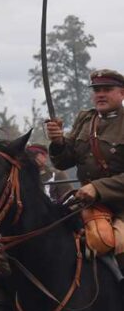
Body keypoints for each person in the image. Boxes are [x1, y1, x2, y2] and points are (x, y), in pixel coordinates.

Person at [46, 69, 124, 269]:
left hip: (120, 207)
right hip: (86, 202)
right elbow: (63, 162)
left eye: (107, 89)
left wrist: (97, 188)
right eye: (97, 90)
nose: (100, 94)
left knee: (116, 246)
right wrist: (58, 142)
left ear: (122, 93)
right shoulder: (85, 119)